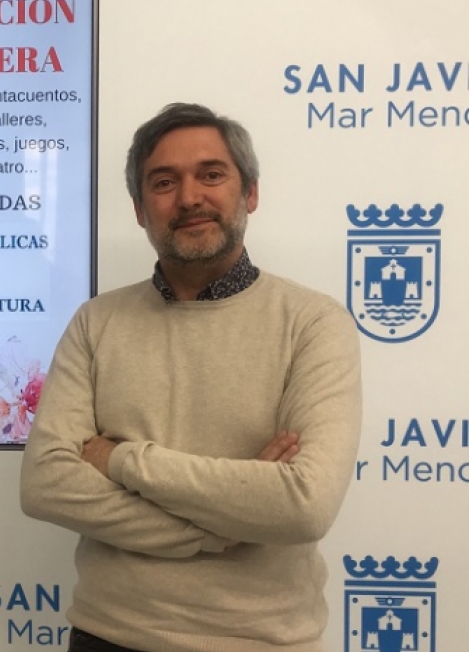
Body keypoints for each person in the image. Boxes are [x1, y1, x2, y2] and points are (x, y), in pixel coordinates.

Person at [20, 103, 362, 652]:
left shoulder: (314, 323)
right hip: (108, 636)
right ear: (139, 210)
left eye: (211, 174)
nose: (188, 198)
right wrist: (224, 525)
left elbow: (304, 504)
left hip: (260, 642)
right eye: (163, 182)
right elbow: (46, 485)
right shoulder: (96, 322)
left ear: (250, 193)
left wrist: (121, 460)